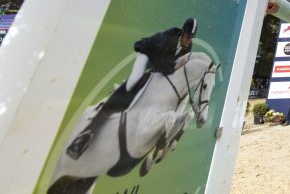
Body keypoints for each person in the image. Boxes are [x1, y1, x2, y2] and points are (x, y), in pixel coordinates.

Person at [66, 18, 198, 159]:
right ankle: (88, 133)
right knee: (133, 82)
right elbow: (161, 63)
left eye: (191, 38)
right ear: (183, 32)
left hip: (161, 66)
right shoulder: (170, 36)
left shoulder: (187, 47)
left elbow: (172, 69)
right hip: (148, 55)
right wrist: (174, 66)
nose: (189, 41)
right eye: (188, 37)